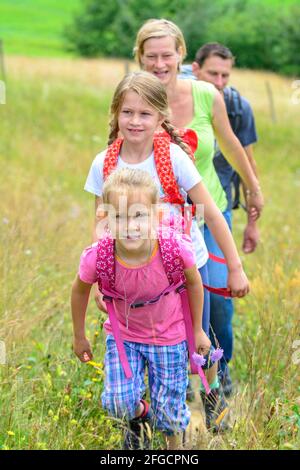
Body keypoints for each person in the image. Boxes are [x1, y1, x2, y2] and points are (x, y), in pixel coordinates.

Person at [84, 71, 249, 431]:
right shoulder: (104, 163)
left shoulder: (174, 158)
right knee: (136, 348)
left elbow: (212, 214)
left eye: (145, 114)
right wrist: (101, 280)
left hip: (184, 271)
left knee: (197, 348)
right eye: (127, 113)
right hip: (131, 277)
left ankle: (212, 402)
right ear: (115, 114)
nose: (135, 121)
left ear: (161, 117)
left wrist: (234, 265)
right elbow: (102, 226)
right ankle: (139, 425)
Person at [133, 19, 263, 406]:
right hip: (159, 220)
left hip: (209, 211)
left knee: (217, 296)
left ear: (182, 55)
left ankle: (215, 379)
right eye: (151, 56)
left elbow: (232, 143)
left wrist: (254, 189)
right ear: (139, 57)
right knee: (157, 300)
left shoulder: (207, 94)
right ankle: (162, 388)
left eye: (167, 55)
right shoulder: (136, 100)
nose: (159, 63)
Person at [72, 167, 211, 449]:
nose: (130, 225)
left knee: (170, 409)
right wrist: (79, 335)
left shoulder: (174, 249)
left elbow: (195, 284)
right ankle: (142, 414)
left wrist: (196, 330)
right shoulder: (98, 256)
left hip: (169, 337)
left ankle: (174, 450)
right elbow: (79, 290)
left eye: (139, 215)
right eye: (119, 216)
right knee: (117, 403)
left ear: (156, 215)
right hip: (124, 336)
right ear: (105, 219)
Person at [180, 43, 260, 396]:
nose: (221, 81)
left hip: (218, 204)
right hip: (178, 211)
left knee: (218, 298)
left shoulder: (238, 107)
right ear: (195, 69)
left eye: (226, 74)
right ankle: (178, 374)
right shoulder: (174, 96)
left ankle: (219, 368)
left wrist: (254, 205)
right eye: (213, 73)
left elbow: (242, 153)